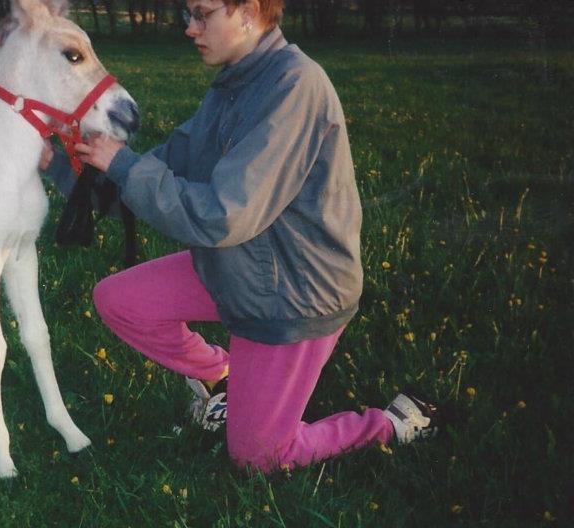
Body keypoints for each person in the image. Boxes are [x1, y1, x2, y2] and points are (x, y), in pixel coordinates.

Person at [42, 0, 440, 474]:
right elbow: (166, 167)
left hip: (292, 292)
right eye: (187, 14)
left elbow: (223, 216)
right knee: (119, 299)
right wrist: (64, 169)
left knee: (259, 458)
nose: (190, 28)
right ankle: (219, 375)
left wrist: (125, 165)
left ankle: (394, 423)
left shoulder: (294, 86)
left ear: (250, 11)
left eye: (202, 14)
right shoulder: (234, 85)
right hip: (241, 268)